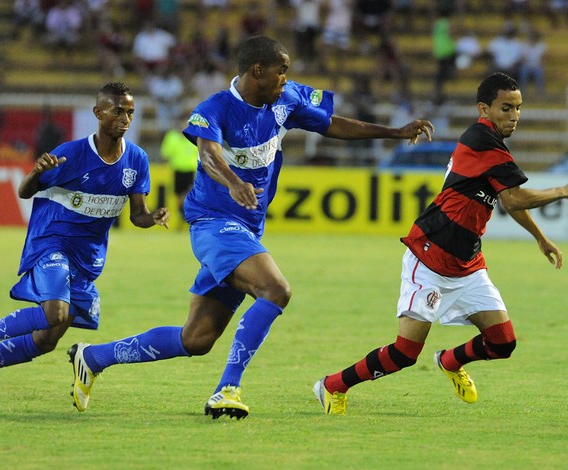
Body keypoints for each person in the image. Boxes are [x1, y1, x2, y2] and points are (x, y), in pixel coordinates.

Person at [66, 35, 434, 419]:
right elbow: (208, 154)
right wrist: (233, 182)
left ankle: (93, 357)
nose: (286, 79)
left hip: (246, 230)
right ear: (258, 70)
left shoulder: (285, 100)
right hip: (212, 223)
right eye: (282, 71)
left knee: (197, 338)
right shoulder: (215, 109)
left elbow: (331, 124)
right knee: (275, 289)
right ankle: (228, 388)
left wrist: (393, 132)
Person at [313, 72, 568, 415]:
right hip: (430, 256)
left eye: (518, 108)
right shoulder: (481, 140)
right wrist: (563, 190)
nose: (514, 116)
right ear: (484, 108)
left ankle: (449, 360)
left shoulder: (492, 144)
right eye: (506, 108)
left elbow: (505, 199)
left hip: (466, 263)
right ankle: (332, 386)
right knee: (404, 353)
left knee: (503, 342)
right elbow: (515, 199)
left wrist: (540, 237)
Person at [0, 82, 169, 372]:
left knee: (46, 340)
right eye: (118, 111)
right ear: (98, 112)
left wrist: (153, 217)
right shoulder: (72, 154)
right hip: (52, 242)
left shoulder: (137, 160)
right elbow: (24, 192)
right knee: (55, 313)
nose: (126, 119)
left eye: (130, 112)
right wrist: (36, 172)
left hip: (86, 257)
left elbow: (137, 215)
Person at [160, 112, 199, 219]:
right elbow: (165, 153)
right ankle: (182, 213)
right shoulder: (172, 136)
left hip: (191, 169)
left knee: (188, 192)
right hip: (177, 169)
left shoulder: (194, 136)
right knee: (178, 195)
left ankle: (185, 212)